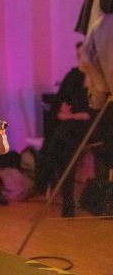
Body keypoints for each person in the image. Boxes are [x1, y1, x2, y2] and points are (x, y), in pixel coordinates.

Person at [37, 41, 98, 217]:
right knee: (65, 145)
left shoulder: (99, 77)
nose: (80, 60)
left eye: (83, 55)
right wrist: (61, 111)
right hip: (70, 126)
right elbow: (60, 100)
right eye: (78, 56)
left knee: (62, 137)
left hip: (92, 126)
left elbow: (92, 112)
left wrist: (71, 116)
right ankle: (67, 200)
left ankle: (46, 173)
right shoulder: (73, 75)